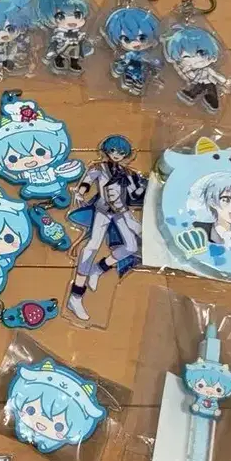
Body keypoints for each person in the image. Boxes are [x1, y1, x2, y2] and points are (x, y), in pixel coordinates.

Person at [66, 135, 147, 321]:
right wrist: (80, 193)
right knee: (91, 247)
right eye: (113, 150)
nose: (116, 154)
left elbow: (135, 193)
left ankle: (99, 268)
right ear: (106, 151)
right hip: (103, 210)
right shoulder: (99, 167)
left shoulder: (127, 173)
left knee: (131, 247)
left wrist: (144, 189)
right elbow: (87, 181)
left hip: (121, 211)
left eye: (121, 152)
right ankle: (76, 295)